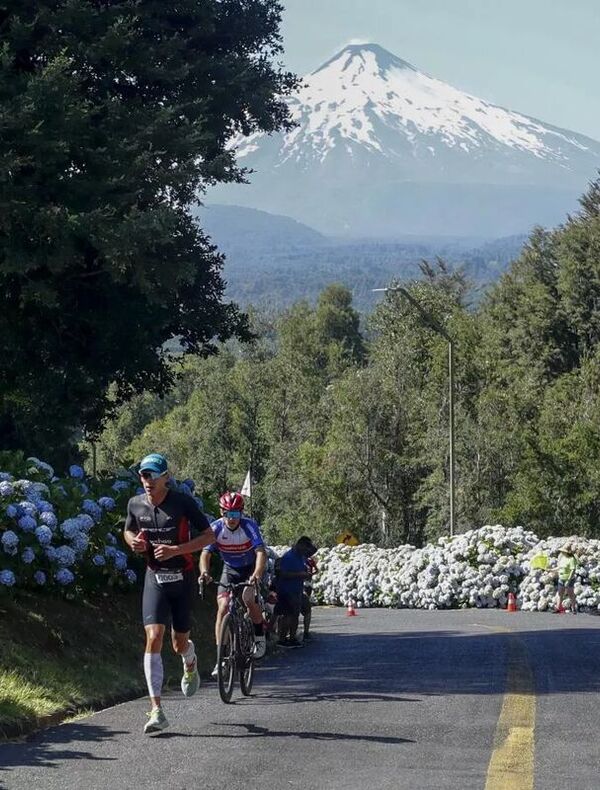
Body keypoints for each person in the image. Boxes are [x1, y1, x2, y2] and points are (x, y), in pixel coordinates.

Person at [123, 453, 214, 734]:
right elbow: (128, 531)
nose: (147, 480)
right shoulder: (135, 504)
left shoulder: (182, 503)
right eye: (143, 475)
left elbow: (209, 535)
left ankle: (190, 659)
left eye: (152, 475)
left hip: (182, 578)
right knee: (153, 636)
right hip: (155, 577)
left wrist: (177, 550)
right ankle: (157, 710)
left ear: (166, 478)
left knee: (177, 644)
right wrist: (134, 543)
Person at [199, 491, 268, 676]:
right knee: (222, 608)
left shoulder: (249, 526)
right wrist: (204, 572)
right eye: (228, 514)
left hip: (249, 569)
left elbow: (261, 553)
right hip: (229, 570)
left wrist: (256, 575)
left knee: (248, 598)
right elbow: (205, 554)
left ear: (241, 513)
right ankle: (221, 659)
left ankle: (259, 635)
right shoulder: (215, 529)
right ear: (221, 512)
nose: (231, 519)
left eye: (236, 514)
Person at [275, 536, 317, 648]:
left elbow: (313, 551)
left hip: (297, 589)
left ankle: (292, 638)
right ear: (300, 545)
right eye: (305, 547)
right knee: (287, 616)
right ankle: (282, 639)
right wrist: (300, 575)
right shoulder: (289, 557)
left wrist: (307, 572)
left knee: (295, 615)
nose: (306, 551)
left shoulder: (300, 556)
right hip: (287, 590)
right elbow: (283, 574)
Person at [554, 540, 578, 614]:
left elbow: (572, 570)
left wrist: (568, 580)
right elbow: (560, 567)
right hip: (561, 578)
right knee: (560, 593)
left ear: (567, 552)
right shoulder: (563, 558)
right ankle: (558, 608)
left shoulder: (572, 559)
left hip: (569, 579)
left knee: (571, 594)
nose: (562, 552)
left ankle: (574, 609)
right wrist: (550, 570)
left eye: (563, 551)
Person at [301, 554, 318, 641]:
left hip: (305, 583)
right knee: (307, 609)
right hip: (306, 583)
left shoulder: (302, 560)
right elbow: (316, 570)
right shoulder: (309, 560)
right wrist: (311, 574)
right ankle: (306, 633)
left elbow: (316, 570)